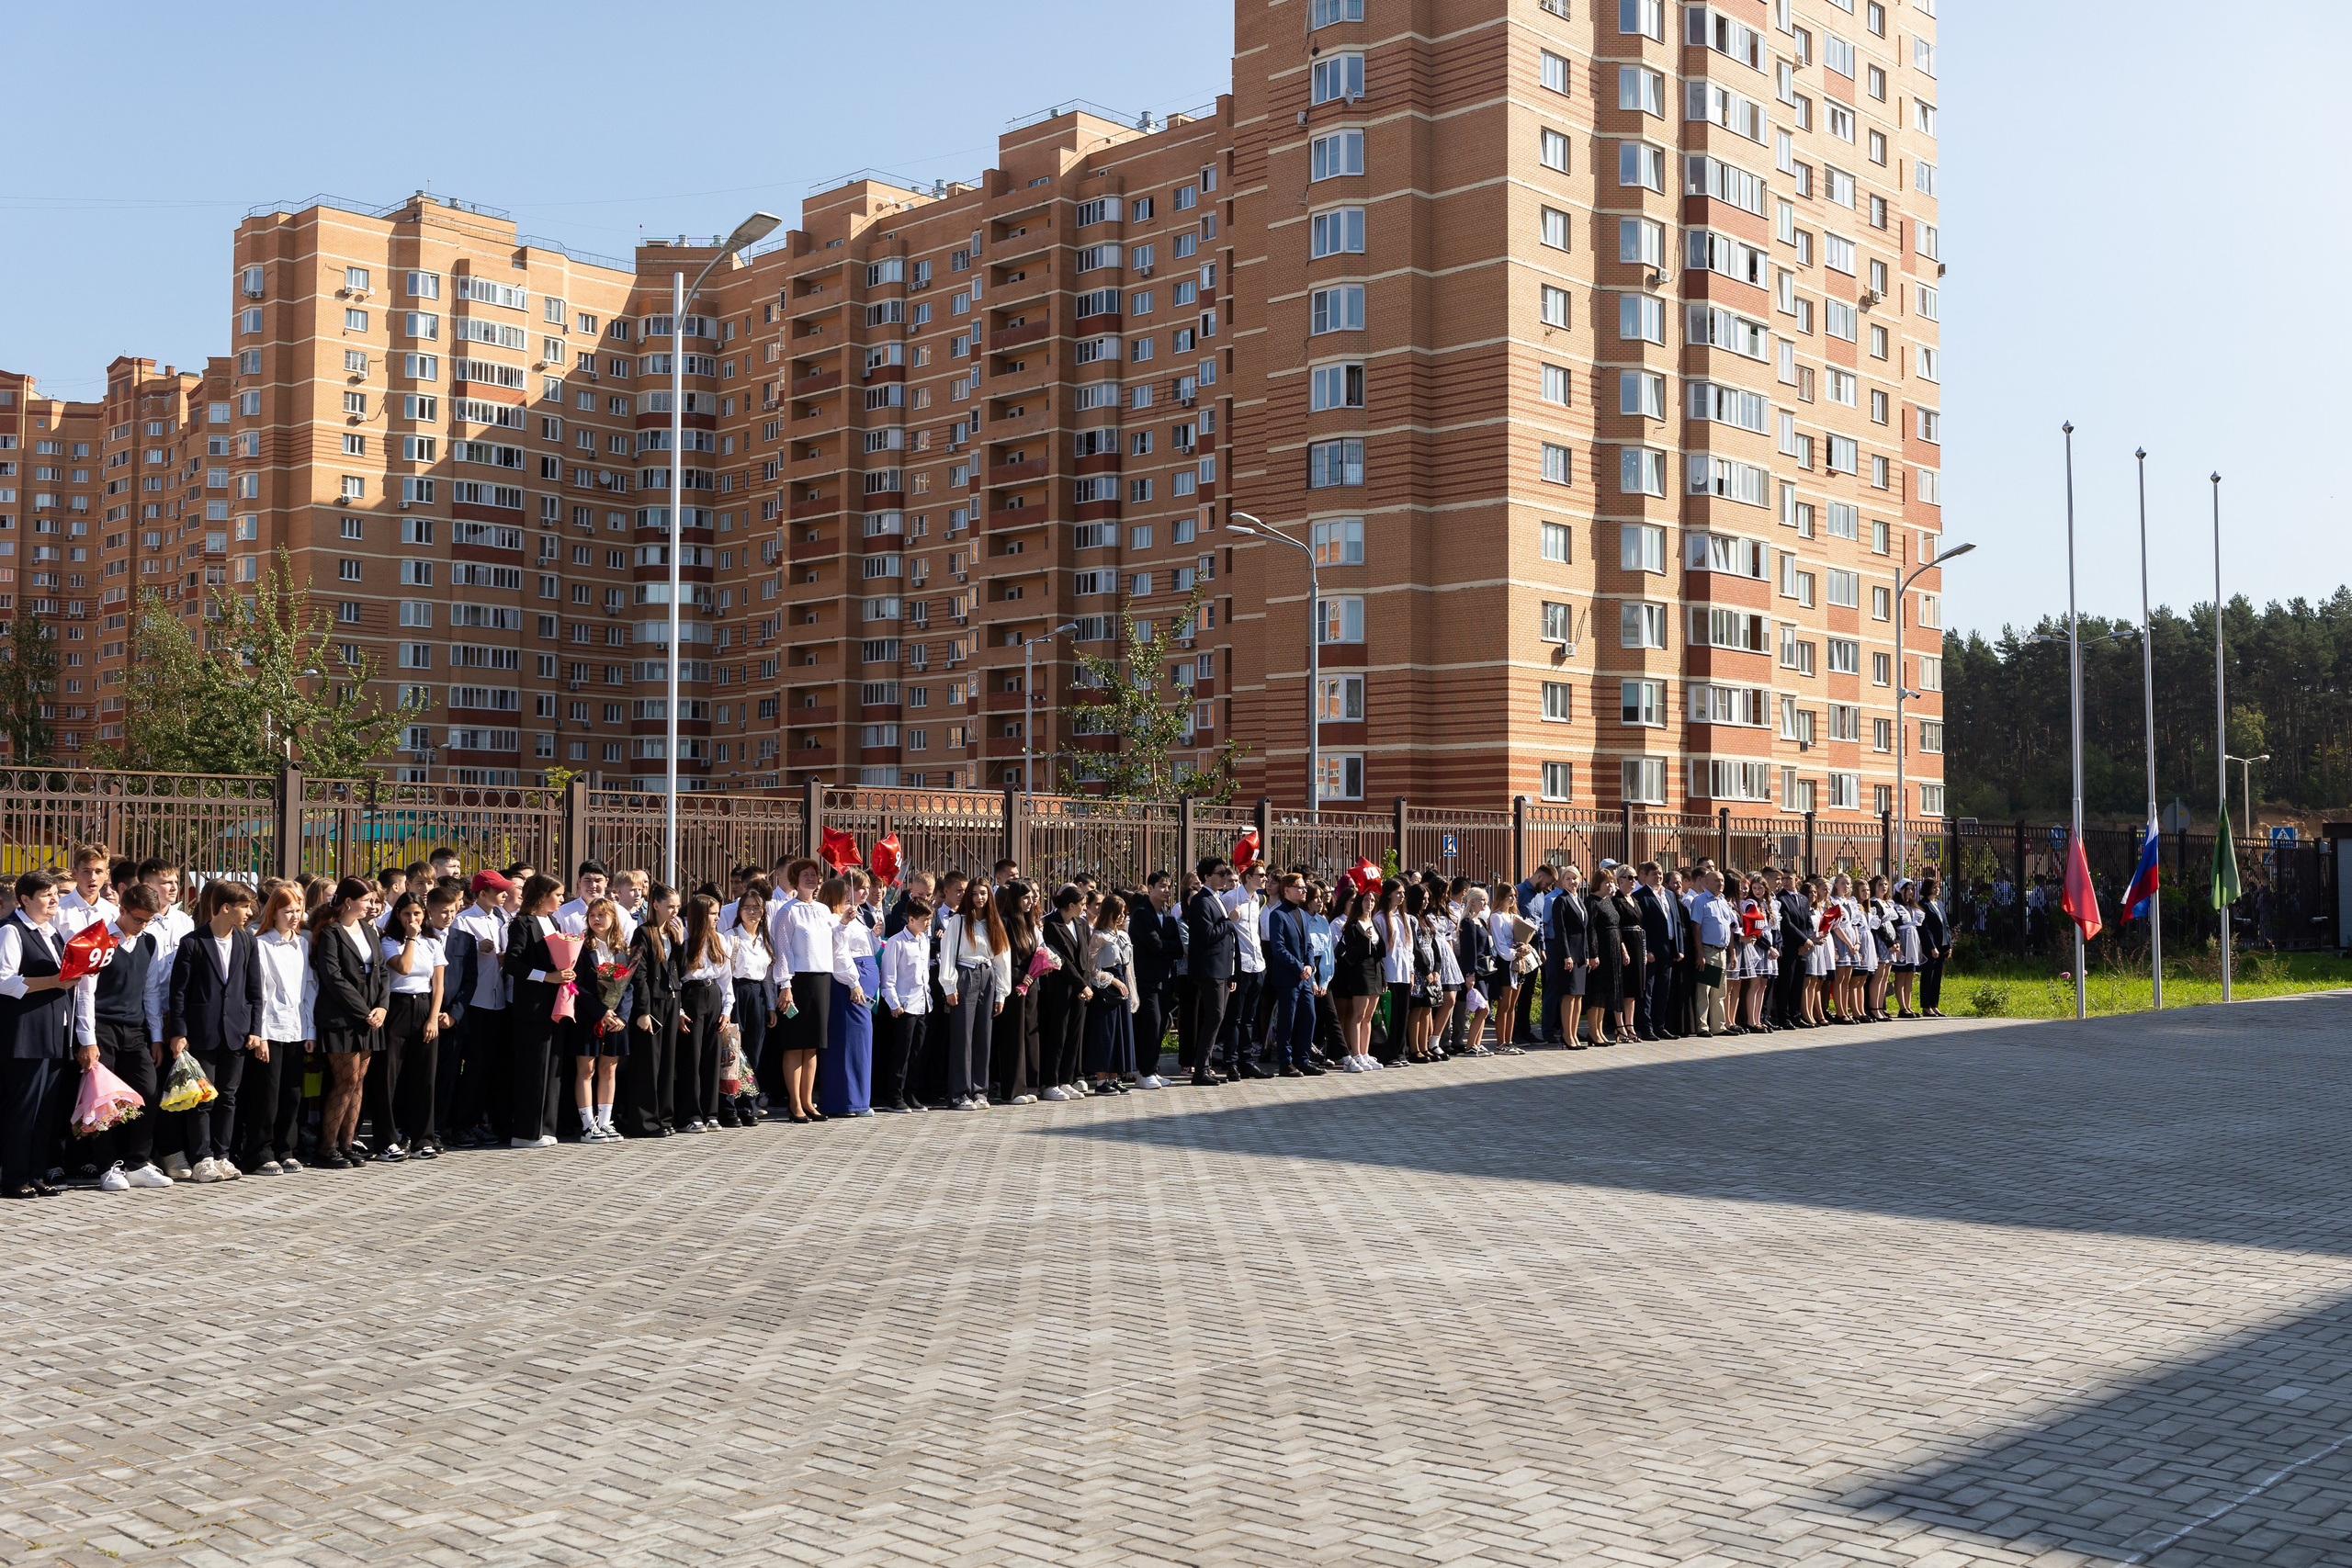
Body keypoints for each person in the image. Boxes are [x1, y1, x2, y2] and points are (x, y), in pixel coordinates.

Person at [74, 884, 176, 1189]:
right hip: (101, 1027)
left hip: (134, 1030)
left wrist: (156, 1037)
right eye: (138, 919)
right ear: (122, 909)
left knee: (147, 1092)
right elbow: (85, 993)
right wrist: (87, 1039)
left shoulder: (148, 943)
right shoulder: (98, 939)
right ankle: (108, 1167)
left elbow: (152, 991)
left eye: (148, 920)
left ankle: (136, 1162)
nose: (142, 926)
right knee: (104, 1101)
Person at [164, 881, 266, 1184]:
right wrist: (179, 1032)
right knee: (202, 1098)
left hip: (236, 1032)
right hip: (202, 1033)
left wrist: (255, 1029)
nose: (250, 912)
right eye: (245, 906)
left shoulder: (248, 941)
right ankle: (202, 1158)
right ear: (226, 907)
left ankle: (223, 1155)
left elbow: (254, 990)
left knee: (229, 1098)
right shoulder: (193, 942)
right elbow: (178, 992)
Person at [2, 873, 82, 1199]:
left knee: (46, 1109)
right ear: (24, 900)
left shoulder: (53, 933)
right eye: (46, 895)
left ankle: (36, 1173)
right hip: (24, 1033)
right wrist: (54, 982)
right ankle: (13, 1176)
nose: (54, 900)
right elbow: (5, 981)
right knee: (23, 1108)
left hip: (54, 1031)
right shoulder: (11, 930)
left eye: (56, 895)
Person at [308, 877, 388, 1169]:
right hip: (342, 1018)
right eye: (366, 900)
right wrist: (364, 1010)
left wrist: (382, 1007)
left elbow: (382, 971)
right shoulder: (330, 932)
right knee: (347, 1080)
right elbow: (334, 978)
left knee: (359, 1082)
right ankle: (326, 1147)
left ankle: (346, 1143)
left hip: (370, 1018)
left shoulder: (368, 929)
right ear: (348, 901)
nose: (371, 905)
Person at [243, 886, 314, 1176]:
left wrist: (310, 1031)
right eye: (288, 911)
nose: (294, 917)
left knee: (292, 1093)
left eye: (298, 911)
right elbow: (259, 992)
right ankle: (261, 1152)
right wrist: (259, 1034)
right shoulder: (261, 944)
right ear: (275, 912)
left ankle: (286, 1149)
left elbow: (309, 987)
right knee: (267, 1095)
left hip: (296, 1027)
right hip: (271, 1029)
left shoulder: (303, 944)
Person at [501, 874, 572, 1150]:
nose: (562, 899)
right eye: (558, 894)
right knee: (533, 1069)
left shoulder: (553, 921)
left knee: (552, 1066)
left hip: (555, 1005)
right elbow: (512, 965)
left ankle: (546, 1126)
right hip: (532, 1008)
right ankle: (525, 1132)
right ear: (542, 896)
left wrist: (566, 973)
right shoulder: (521, 923)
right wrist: (546, 977)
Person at [374, 891, 445, 1162]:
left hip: (425, 1006)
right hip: (396, 1007)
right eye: (406, 914)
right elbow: (402, 968)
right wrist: (411, 939)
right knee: (388, 1076)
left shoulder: (433, 942)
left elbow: (438, 984)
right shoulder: (390, 941)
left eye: (417, 913)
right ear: (398, 915)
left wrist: (432, 1019)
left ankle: (422, 1139)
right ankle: (387, 1141)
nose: (412, 919)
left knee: (425, 1078)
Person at [444, 870, 513, 1149]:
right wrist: (475, 947)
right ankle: (461, 1125)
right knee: (473, 1068)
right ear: (482, 893)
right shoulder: (463, 920)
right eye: (499, 891)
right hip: (475, 1002)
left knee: (488, 1068)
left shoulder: (500, 918)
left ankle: (479, 1121)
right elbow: (452, 955)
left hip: (497, 1000)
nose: (505, 895)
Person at [770, 859, 836, 1122]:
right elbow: (782, 950)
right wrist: (785, 985)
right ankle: (794, 1104)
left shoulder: (822, 909)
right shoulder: (788, 911)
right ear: (795, 880)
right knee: (794, 1045)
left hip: (822, 979)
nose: (811, 878)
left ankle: (809, 1101)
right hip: (797, 982)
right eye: (805, 874)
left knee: (813, 1046)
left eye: (814, 874)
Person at [937, 877, 1010, 1111]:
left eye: (984, 893)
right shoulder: (959, 921)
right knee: (963, 1037)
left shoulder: (993, 923)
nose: (980, 898)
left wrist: (1001, 993)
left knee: (983, 1037)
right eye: (976, 893)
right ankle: (960, 1093)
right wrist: (949, 986)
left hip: (987, 975)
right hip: (965, 975)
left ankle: (979, 1091)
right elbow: (947, 952)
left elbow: (1002, 959)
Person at [569, 897, 635, 1143]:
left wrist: (622, 1017)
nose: (596, 919)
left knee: (609, 1069)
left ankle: (606, 1122)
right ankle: (588, 1125)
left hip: (615, 1020)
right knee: (586, 1069)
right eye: (592, 915)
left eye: (602, 915)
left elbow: (628, 988)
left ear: (613, 918)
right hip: (589, 1017)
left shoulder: (621, 950)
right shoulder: (582, 947)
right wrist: (600, 1012)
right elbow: (576, 985)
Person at [622, 884, 684, 1134]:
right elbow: (638, 975)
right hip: (653, 1004)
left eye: (678, 906)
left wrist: (680, 944)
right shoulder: (643, 933)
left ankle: (665, 1118)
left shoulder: (672, 932)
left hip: (672, 1001)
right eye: (670, 906)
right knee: (649, 1062)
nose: (674, 911)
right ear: (655, 905)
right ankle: (645, 1121)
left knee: (668, 1062)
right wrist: (643, 1011)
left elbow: (683, 971)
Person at [676, 893, 736, 1131]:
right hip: (691, 996)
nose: (717, 917)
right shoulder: (685, 939)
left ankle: (711, 1112)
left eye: (718, 913)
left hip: (713, 996)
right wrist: (679, 1009)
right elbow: (678, 978)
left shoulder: (719, 939)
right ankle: (691, 1115)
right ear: (700, 915)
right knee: (691, 1057)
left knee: (712, 1058)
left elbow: (726, 978)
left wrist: (727, 1008)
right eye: (712, 913)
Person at [820, 880, 876, 1117]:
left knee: (860, 1043)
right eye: (844, 893)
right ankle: (846, 1101)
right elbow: (839, 953)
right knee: (847, 1043)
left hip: (863, 977)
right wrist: (853, 982)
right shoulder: (834, 920)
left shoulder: (854, 916)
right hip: (848, 982)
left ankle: (858, 1098)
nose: (849, 896)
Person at [1182, 859, 1238, 1086]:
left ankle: (1204, 1067)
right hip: (1209, 968)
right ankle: (1200, 1070)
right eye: (1220, 873)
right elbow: (1207, 934)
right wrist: (1229, 921)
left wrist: (1232, 972)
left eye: (1226, 873)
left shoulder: (1216, 898)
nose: (1225, 877)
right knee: (1214, 1016)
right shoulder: (1201, 901)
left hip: (1223, 968)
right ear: (1206, 876)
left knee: (1218, 1017)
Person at [724, 880, 776, 1126]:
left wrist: (771, 1006)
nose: (752, 912)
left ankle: (748, 1104)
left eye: (757, 907)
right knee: (734, 1050)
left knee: (754, 1051)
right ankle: (729, 1105)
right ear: (739, 910)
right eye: (747, 907)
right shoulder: (731, 937)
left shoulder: (766, 938)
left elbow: (767, 976)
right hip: (736, 991)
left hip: (757, 995)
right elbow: (724, 973)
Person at [875, 897, 933, 1114]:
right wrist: (894, 1003)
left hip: (923, 1003)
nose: (928, 924)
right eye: (924, 920)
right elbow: (888, 978)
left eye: (930, 920)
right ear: (911, 919)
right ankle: (894, 1096)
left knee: (917, 1052)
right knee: (901, 1053)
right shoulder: (896, 942)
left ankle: (911, 1093)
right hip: (904, 1005)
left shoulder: (924, 941)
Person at [1259, 872, 1319, 1077]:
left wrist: (1310, 965)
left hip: (1305, 976)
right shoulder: (1278, 914)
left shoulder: (1302, 914)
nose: (1303, 890)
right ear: (1286, 890)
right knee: (1287, 1020)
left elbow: (1308, 945)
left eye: (1304, 887)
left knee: (1309, 1017)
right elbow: (1279, 948)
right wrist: (1298, 967)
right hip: (1288, 977)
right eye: (1299, 887)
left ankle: (1303, 1060)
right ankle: (1286, 1062)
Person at [992, 881, 1045, 1105]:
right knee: (1013, 1035)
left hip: (1030, 983)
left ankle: (1030, 1084)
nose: (1030, 902)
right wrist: (1017, 976)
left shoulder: (1027, 922)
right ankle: (1013, 1089)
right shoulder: (1004, 922)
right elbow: (1000, 957)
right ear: (1014, 899)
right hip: (1013, 985)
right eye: (1025, 898)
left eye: (1031, 898)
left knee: (1030, 1033)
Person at [1128, 871, 1182, 1089]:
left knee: (1160, 1026)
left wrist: (1166, 946)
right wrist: (1166, 946)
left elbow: (1178, 948)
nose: (1166, 890)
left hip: (1166, 979)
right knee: (1150, 1024)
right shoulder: (1142, 914)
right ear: (1149, 888)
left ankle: (1152, 1068)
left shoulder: (1168, 917)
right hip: (1147, 980)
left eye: (1169, 886)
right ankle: (1143, 1071)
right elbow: (1155, 945)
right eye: (1161, 886)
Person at [1217, 863, 1270, 1077]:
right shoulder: (1231, 898)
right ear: (1248, 877)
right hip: (1240, 965)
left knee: (1249, 1018)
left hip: (1257, 964)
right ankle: (1231, 1062)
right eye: (1261, 875)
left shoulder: (1257, 899)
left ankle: (1247, 1060)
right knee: (1235, 1018)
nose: (1265, 878)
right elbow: (1223, 928)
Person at [1083, 893, 1136, 1093]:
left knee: (1120, 1034)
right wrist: (1112, 980)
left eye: (1124, 912)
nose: (1122, 916)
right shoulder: (1099, 936)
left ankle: (1114, 1078)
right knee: (1104, 1034)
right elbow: (1092, 968)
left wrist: (1131, 990)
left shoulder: (1123, 935)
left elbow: (1129, 967)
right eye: (1118, 913)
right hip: (1106, 989)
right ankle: (1100, 1081)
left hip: (1122, 985)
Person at [1540, 865, 1593, 1048]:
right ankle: (1567, 1035)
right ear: (1562, 882)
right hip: (1567, 954)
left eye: (1575, 878)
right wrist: (1566, 955)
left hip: (1580, 954)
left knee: (1578, 996)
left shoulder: (1579, 900)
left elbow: (1585, 931)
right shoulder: (1560, 901)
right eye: (1568, 879)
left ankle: (1574, 1034)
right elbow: (1560, 931)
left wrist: (1586, 954)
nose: (1572, 882)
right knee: (1569, 995)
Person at [1688, 870, 1737, 1037]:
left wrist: (1733, 953)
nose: (1720, 884)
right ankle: (1702, 1026)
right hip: (1708, 951)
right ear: (1705, 882)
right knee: (1705, 991)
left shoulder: (1724, 902)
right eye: (1716, 880)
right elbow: (1696, 928)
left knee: (1720, 992)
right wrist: (1700, 954)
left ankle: (1719, 1026)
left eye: (1722, 880)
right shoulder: (1700, 901)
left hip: (1722, 952)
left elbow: (1729, 929)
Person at [1455, 885, 1497, 1056]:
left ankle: (1477, 1044)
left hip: (1485, 970)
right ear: (1472, 902)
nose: (1485, 902)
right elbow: (1469, 950)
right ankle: (1470, 1045)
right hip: (1476, 970)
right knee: (1483, 1008)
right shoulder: (1468, 922)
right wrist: (1470, 973)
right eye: (1482, 899)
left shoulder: (1480, 921)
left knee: (1483, 1008)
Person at [1611, 868, 1645, 1045]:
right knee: (1623, 988)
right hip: (1624, 944)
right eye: (1629, 878)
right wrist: (1623, 950)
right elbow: (1616, 929)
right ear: (1619, 880)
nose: (1633, 881)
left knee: (1633, 990)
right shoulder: (1616, 900)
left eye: (1634, 878)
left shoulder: (1635, 899)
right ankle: (1620, 1026)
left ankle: (1630, 1025)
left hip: (1637, 943)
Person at [1918, 875, 1952, 1019]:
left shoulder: (1939, 903)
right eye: (1934, 887)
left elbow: (1945, 925)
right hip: (1931, 946)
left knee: (1937, 976)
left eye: (1938, 886)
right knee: (1928, 976)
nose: (1937, 889)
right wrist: (1932, 947)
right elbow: (1925, 928)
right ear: (1928, 888)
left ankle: (1934, 1005)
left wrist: (1949, 945)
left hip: (1942, 944)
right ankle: (1926, 1006)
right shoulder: (1923, 904)